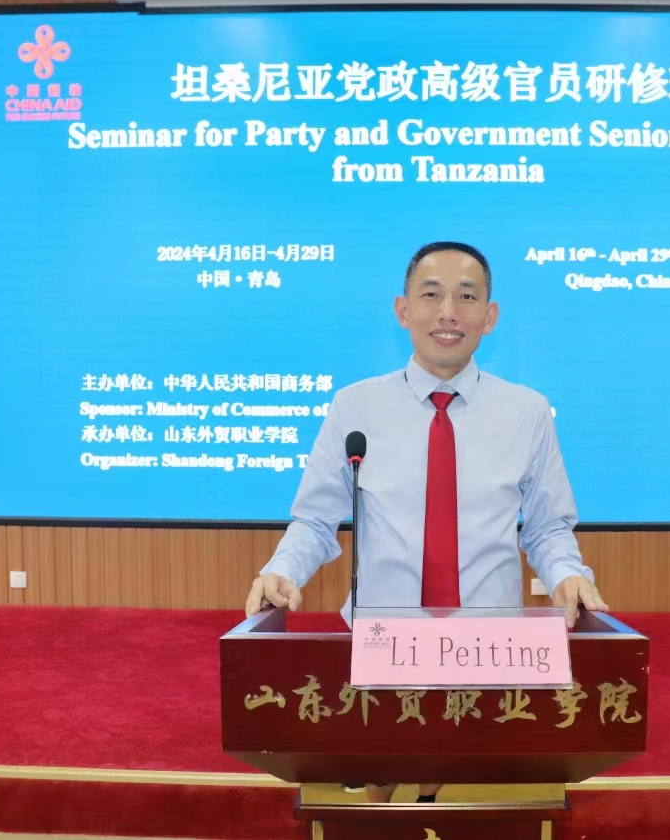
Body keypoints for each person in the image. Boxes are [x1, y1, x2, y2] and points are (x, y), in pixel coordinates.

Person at [243, 241, 608, 804]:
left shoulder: (527, 411)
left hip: (489, 644)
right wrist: (281, 570)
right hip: (385, 640)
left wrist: (567, 573)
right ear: (403, 310)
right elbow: (315, 520)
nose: (448, 313)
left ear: (490, 316)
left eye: (467, 297)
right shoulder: (355, 407)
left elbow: (546, 527)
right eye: (431, 295)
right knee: (378, 795)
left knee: (471, 801)